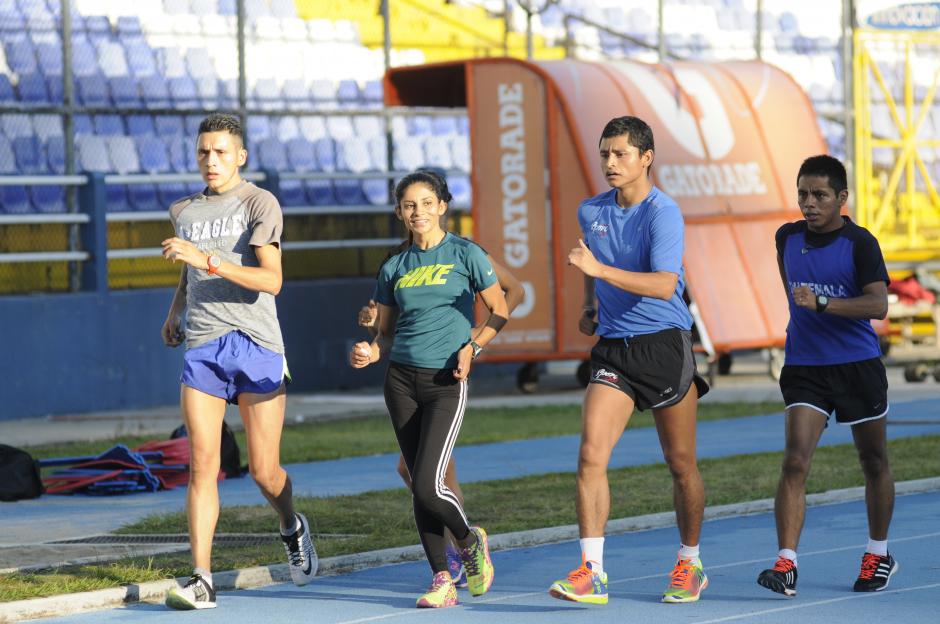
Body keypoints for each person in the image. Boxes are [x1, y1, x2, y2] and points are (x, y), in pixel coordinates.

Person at [548, 116, 710, 606]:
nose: (610, 163)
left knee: (680, 464)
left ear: (646, 157)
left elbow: (665, 284)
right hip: (614, 349)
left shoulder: (664, 213)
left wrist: (600, 271)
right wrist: (589, 301)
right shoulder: (590, 210)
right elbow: (587, 257)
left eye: (620, 154)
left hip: (663, 344)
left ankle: (690, 561)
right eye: (604, 154)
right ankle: (592, 570)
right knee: (590, 454)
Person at [160, 113, 316, 610]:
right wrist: (175, 310)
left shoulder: (258, 202)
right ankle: (201, 578)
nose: (212, 160)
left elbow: (271, 280)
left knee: (264, 472)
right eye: (204, 151)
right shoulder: (183, 210)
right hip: (204, 344)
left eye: (222, 151)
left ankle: (291, 524)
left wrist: (205, 259)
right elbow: (189, 272)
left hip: (256, 341)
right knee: (202, 465)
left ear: (241, 155)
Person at [349, 170, 509, 608]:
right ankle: (442, 577)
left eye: (426, 203)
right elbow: (382, 332)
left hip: (446, 380)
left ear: (442, 206)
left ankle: (469, 542)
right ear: (400, 212)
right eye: (408, 205)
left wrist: (472, 347)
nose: (417, 212)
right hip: (400, 381)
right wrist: (369, 350)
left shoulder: (466, 254)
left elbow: (500, 310)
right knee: (421, 483)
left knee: (425, 484)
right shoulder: (394, 265)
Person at [757, 155, 895, 597]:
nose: (809, 203)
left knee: (872, 461)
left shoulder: (860, 243)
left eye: (819, 195)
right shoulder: (787, 238)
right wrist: (805, 316)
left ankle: (878, 552)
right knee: (795, 460)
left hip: (857, 365)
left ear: (841, 198)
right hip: (805, 366)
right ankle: (786, 563)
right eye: (802, 194)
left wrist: (822, 304)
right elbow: (791, 290)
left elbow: (877, 306)